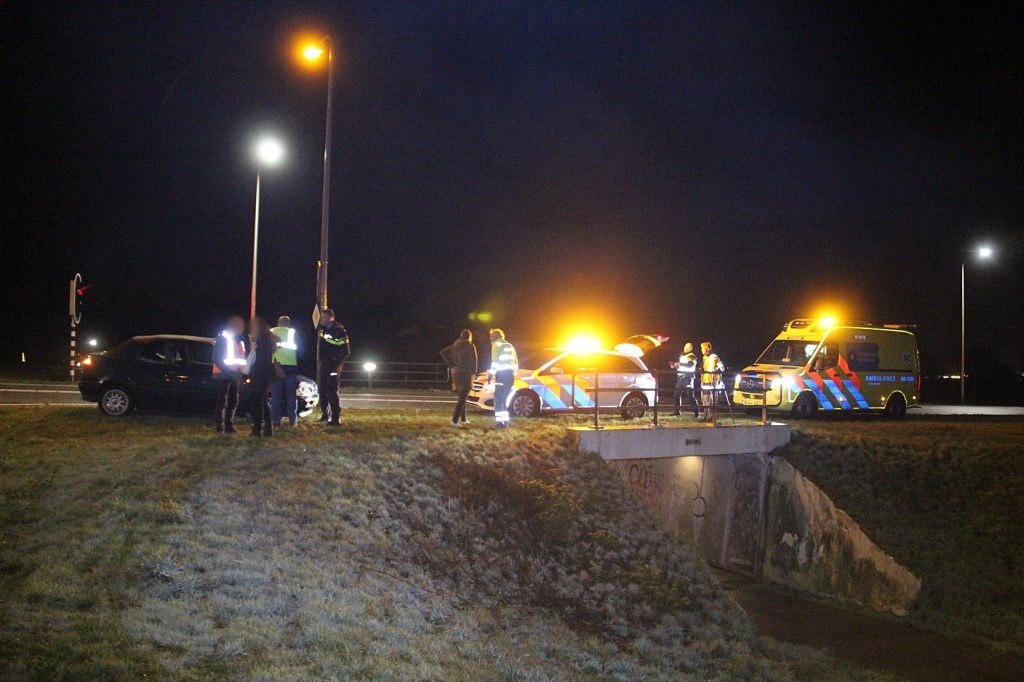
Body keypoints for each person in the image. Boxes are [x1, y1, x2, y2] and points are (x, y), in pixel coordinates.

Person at [213, 316, 247, 433]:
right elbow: (216, 358)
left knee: (233, 401)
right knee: (222, 401)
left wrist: (240, 374)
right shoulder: (223, 337)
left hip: (234, 375)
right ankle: (219, 427)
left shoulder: (239, 340)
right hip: (223, 375)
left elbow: (241, 359)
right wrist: (228, 372)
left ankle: (229, 426)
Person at [317, 309, 350, 425]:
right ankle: (325, 415)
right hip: (324, 364)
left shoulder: (339, 331)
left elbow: (346, 351)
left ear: (331, 318)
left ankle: (336, 418)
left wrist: (336, 363)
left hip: (333, 366)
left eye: (323, 317)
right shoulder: (323, 329)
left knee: (332, 391)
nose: (321, 319)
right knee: (322, 390)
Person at [246, 317, 278, 437]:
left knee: (256, 403)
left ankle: (257, 429)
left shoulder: (262, 341)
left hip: (259, 375)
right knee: (263, 402)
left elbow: (259, 361)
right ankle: (268, 429)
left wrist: (252, 373)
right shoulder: (268, 340)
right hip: (265, 376)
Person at [440, 329, 478, 428]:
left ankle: (464, 419)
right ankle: (454, 421)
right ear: (469, 337)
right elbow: (474, 360)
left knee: (462, 397)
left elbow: (442, 352)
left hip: (456, 375)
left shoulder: (455, 346)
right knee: (462, 399)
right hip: (466, 374)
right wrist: (474, 373)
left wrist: (451, 366)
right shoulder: (470, 346)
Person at [270, 315, 299, 427]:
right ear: (288, 324)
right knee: (291, 395)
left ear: (278, 323)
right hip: (291, 366)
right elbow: (299, 347)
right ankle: (293, 421)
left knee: (276, 395)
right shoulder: (292, 332)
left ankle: (275, 421)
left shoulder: (272, 331)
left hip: (276, 366)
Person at [488, 328, 518, 428]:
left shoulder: (496, 345)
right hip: (510, 376)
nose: (490, 338)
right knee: (504, 399)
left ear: (496, 336)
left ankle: (500, 423)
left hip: (502, 376)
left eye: (491, 336)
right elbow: (516, 362)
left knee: (497, 398)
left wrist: (490, 374)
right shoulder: (510, 346)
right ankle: (505, 423)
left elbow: (495, 362)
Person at [671, 342, 700, 417]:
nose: (685, 348)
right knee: (676, 394)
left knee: (690, 395)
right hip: (680, 377)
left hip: (688, 377)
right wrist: (675, 366)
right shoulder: (682, 355)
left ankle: (697, 412)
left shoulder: (691, 356)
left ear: (691, 348)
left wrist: (679, 364)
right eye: (685, 346)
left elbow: (690, 365)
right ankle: (677, 411)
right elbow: (681, 365)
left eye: (688, 347)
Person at [700, 341, 725, 423]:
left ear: (707, 348)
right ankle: (706, 416)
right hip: (705, 380)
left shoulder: (714, 357)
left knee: (711, 400)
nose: (701, 350)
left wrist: (718, 367)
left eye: (702, 348)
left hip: (713, 381)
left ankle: (710, 417)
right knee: (704, 400)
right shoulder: (704, 357)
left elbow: (722, 368)